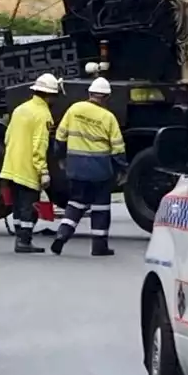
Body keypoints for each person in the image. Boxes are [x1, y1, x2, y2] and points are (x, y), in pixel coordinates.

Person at [50, 77, 126, 256]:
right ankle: (99, 246)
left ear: (90, 94)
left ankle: (62, 234)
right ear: (106, 97)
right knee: (101, 206)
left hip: (76, 165)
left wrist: (60, 157)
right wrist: (123, 169)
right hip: (99, 167)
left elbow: (60, 136)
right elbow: (118, 147)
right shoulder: (108, 117)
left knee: (76, 202)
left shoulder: (74, 109)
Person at [0, 73, 60, 253]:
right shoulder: (43, 115)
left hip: (11, 165)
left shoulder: (20, 109)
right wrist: (43, 171)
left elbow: (7, 136)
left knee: (18, 204)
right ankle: (24, 241)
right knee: (29, 205)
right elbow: (40, 145)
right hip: (28, 168)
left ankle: (19, 236)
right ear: (49, 95)